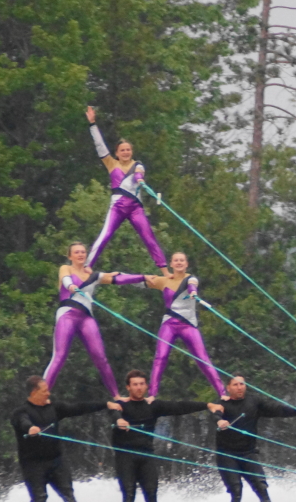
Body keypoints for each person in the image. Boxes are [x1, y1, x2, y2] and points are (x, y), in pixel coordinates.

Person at [108, 370, 221, 502]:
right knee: (129, 495)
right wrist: (119, 420)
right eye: (135, 385)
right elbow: (114, 414)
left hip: (147, 456)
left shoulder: (153, 406)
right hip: (125, 457)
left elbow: (179, 407)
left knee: (152, 493)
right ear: (128, 387)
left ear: (146, 386)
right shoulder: (120, 405)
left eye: (142, 384)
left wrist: (207, 405)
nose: (139, 387)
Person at [10, 376, 118, 502]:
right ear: (34, 392)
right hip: (33, 465)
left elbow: (79, 408)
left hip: (56, 461)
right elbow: (22, 421)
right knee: (40, 500)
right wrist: (30, 428)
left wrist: (105, 404)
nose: (49, 393)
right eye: (44, 390)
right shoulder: (21, 412)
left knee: (69, 496)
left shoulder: (55, 408)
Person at [43, 242, 145, 398]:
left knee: (100, 356)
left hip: (85, 318)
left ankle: (116, 395)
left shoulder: (94, 276)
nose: (80, 254)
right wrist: (71, 286)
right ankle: (42, 394)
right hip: (67, 314)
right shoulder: (66, 269)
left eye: (83, 252)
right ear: (70, 256)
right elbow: (65, 279)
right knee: (60, 355)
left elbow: (116, 277)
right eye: (76, 252)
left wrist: (143, 278)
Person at [84, 106, 169, 276]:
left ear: (132, 152)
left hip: (135, 207)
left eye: (128, 150)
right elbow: (99, 146)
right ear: (116, 153)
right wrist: (92, 124)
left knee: (148, 236)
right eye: (122, 150)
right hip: (117, 206)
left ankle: (165, 270)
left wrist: (140, 179)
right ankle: (88, 265)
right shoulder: (111, 164)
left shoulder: (137, 165)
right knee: (106, 234)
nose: (126, 152)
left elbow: (139, 173)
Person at [210, 375, 296, 502]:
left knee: (262, 488)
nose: (239, 387)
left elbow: (278, 409)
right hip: (227, 455)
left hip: (248, 454)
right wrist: (219, 420)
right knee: (236, 492)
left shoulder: (254, 402)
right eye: (235, 385)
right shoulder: (222, 402)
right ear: (228, 388)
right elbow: (216, 412)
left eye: (242, 384)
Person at [138, 252, 226, 399]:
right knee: (161, 356)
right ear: (171, 264)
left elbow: (192, 285)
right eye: (176, 260)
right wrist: (115, 278)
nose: (179, 263)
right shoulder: (164, 280)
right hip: (169, 324)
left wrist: (193, 292)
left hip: (188, 325)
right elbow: (141, 281)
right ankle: (152, 394)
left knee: (202, 357)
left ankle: (222, 393)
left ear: (186, 264)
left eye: (182, 260)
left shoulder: (191, 278)